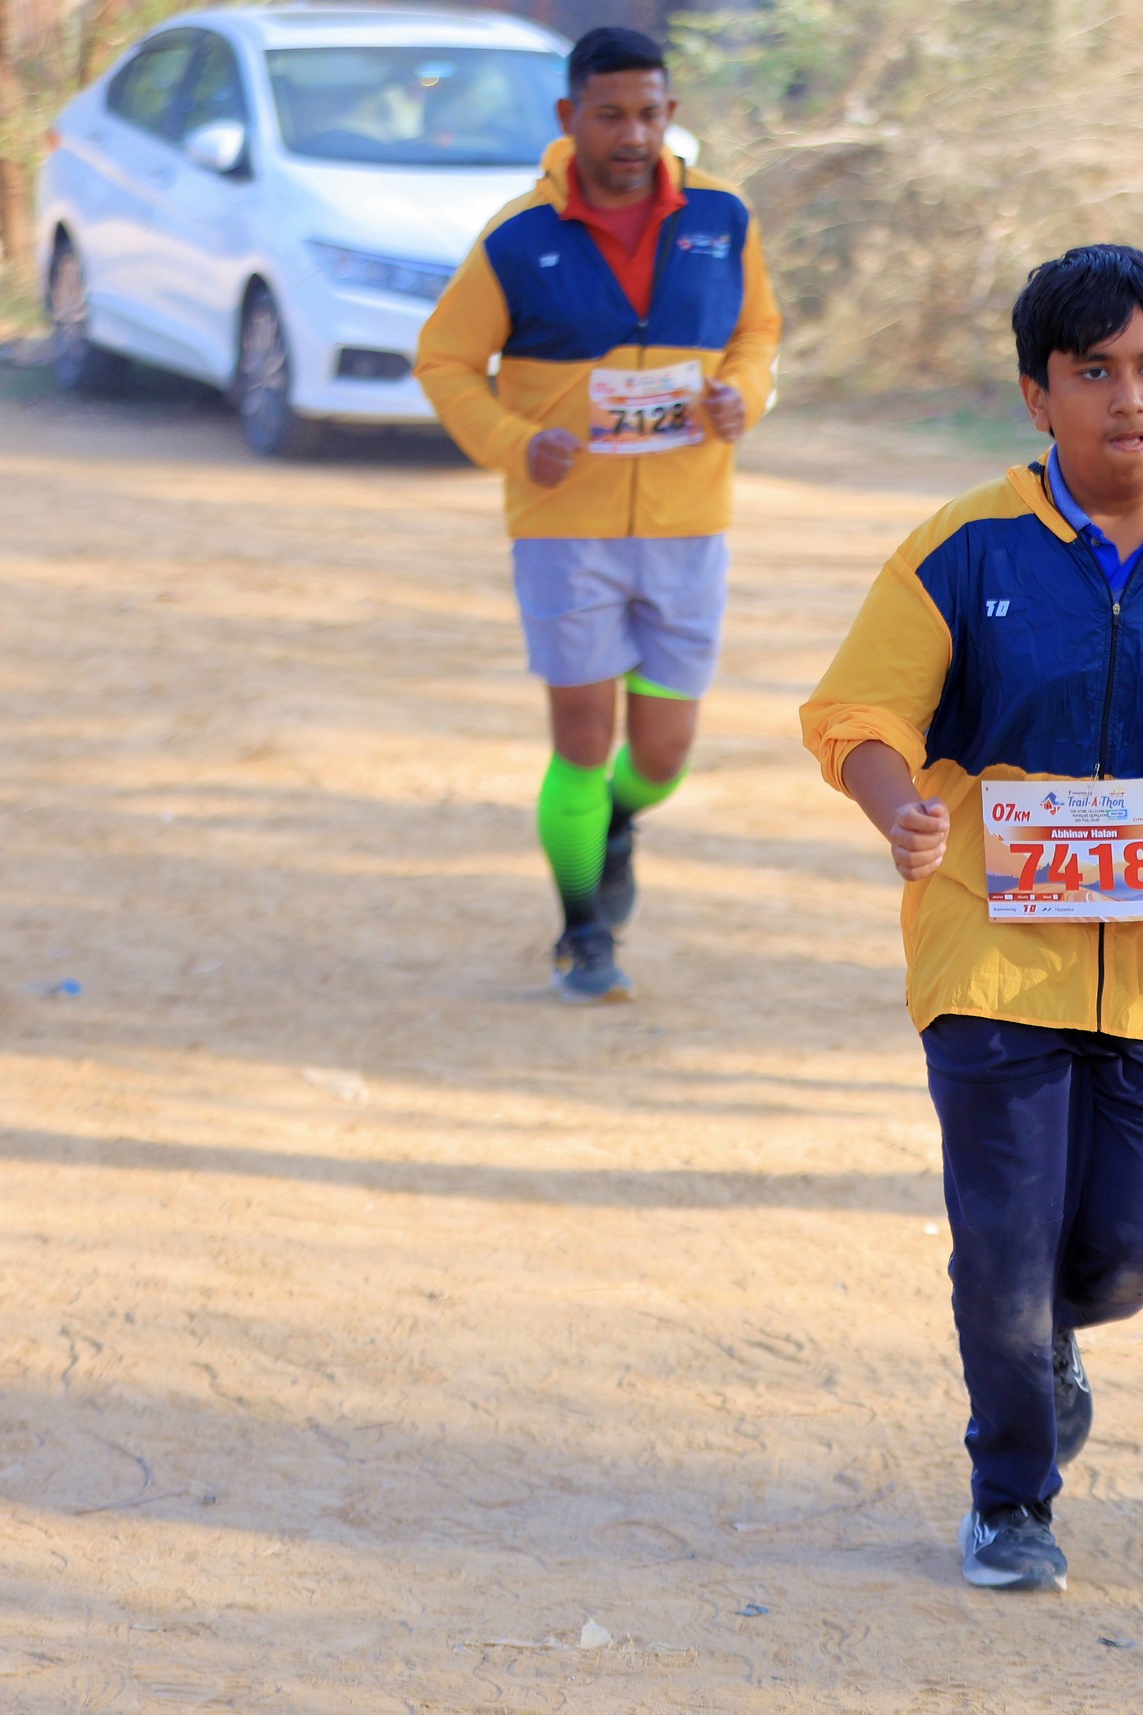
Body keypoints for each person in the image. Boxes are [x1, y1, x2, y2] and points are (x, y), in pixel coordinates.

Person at [801, 246, 1143, 1592]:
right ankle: (1011, 1497)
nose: (1129, 399)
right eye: (1093, 371)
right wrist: (899, 809)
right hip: (992, 947)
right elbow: (860, 713)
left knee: (1136, 1249)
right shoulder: (964, 547)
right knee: (1004, 1235)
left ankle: (1046, 1338)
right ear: (1036, 396)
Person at [416, 26, 781, 1003]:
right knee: (581, 738)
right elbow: (445, 360)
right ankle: (584, 931)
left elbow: (758, 332)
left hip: (689, 523)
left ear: (671, 114)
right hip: (563, 530)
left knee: (662, 754)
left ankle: (615, 822)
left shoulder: (722, 218)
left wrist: (745, 395)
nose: (633, 135)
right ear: (569, 116)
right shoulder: (517, 237)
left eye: (650, 113)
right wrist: (513, 442)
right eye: (611, 115)